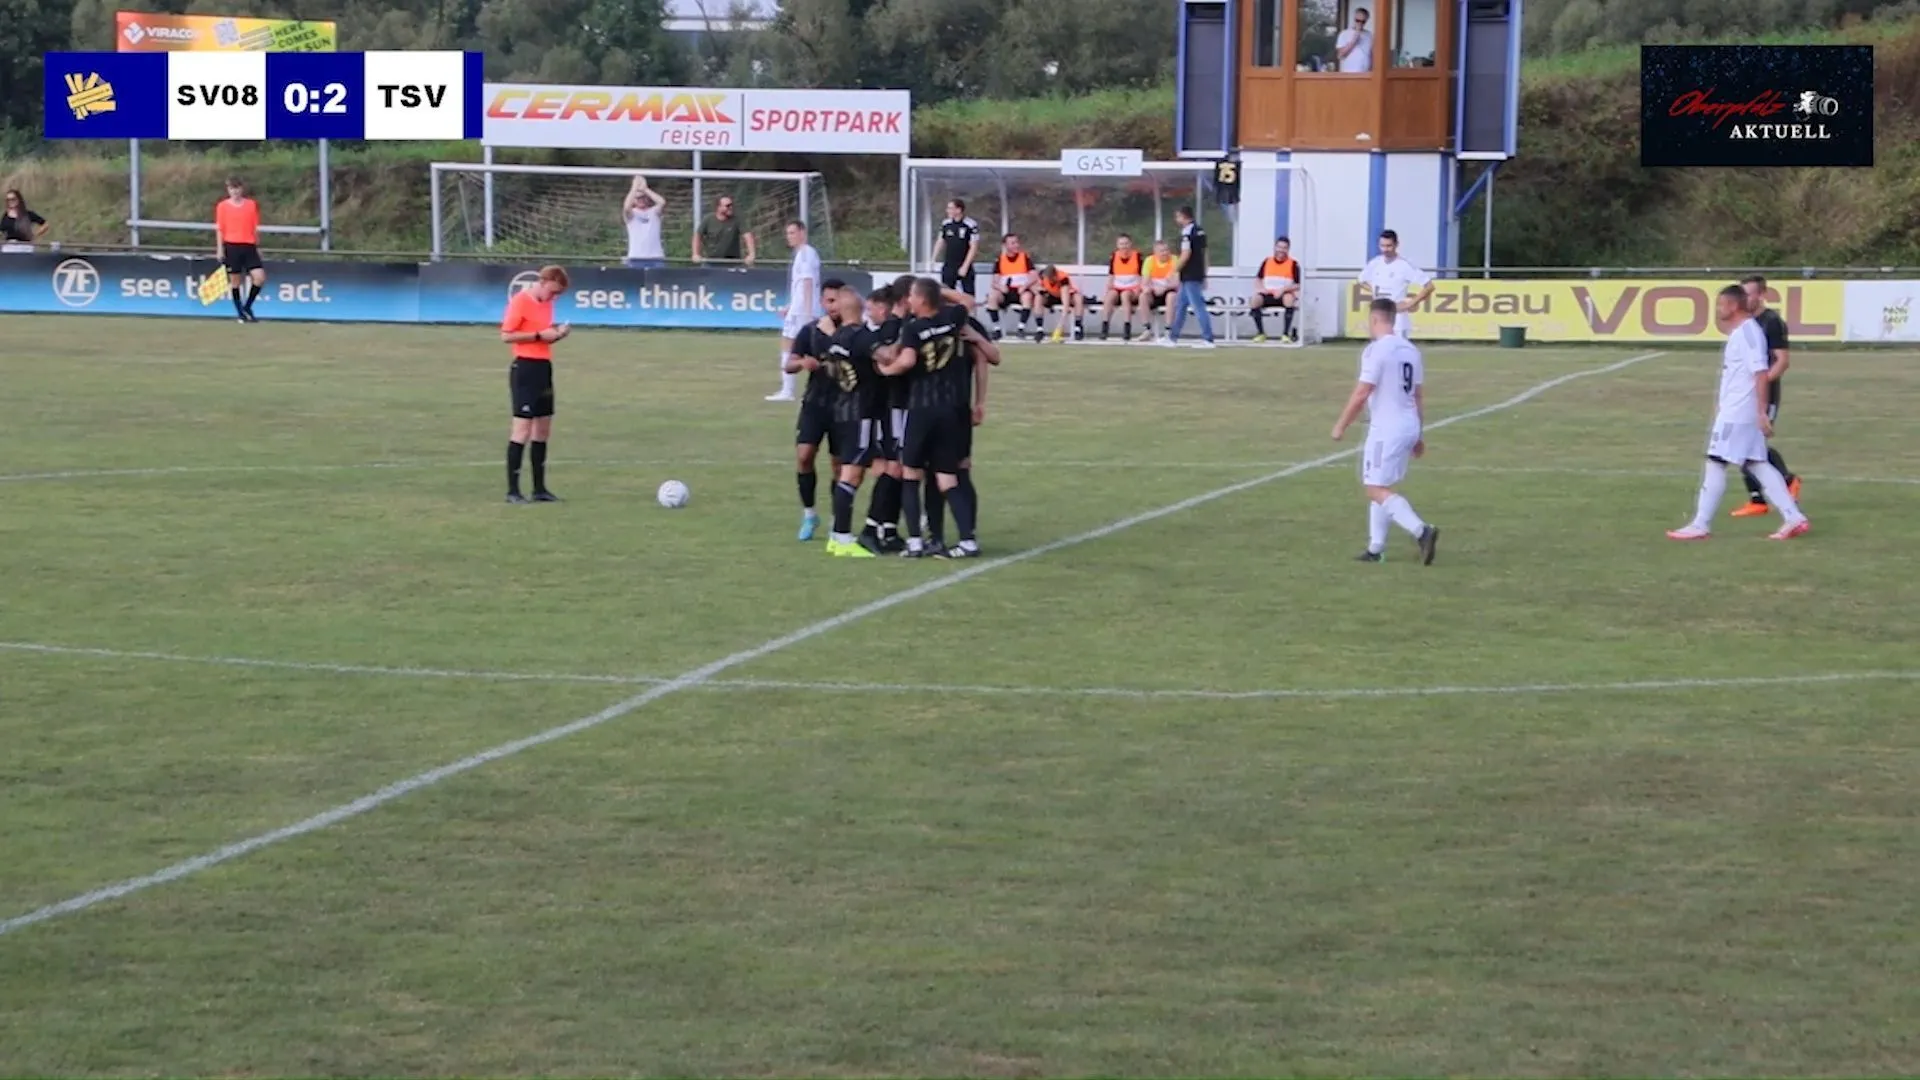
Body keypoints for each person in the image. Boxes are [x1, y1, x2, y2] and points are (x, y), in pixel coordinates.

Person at [1667, 285, 1811, 542]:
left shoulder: (1747, 333)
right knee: (1758, 463)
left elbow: (1760, 373)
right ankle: (1793, 517)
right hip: (1738, 410)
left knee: (1715, 462)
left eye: (1721, 305)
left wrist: (1761, 411)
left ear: (1732, 306)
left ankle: (1700, 524)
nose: (1718, 310)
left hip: (1739, 413)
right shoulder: (1745, 332)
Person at [880, 278, 994, 559]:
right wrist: (939, 291)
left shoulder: (913, 328)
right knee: (947, 477)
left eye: (913, 297)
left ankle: (916, 542)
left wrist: (885, 370)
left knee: (911, 473)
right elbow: (966, 300)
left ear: (920, 299)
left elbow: (906, 362)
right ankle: (968, 541)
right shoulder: (953, 318)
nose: (909, 301)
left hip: (922, 409)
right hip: (952, 411)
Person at [1331, 298, 1440, 564]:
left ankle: (1421, 530)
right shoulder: (1411, 350)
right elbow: (1418, 396)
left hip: (1386, 428)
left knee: (1374, 487)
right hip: (1408, 423)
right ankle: (1375, 548)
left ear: (1375, 320)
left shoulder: (1376, 351)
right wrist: (1419, 434)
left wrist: (1341, 425)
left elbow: (1362, 392)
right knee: (1383, 484)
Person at [820, 287, 894, 558]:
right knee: (856, 473)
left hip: (841, 409)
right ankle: (841, 537)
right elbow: (885, 357)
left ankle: (845, 534)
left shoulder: (836, 337)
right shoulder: (862, 336)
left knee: (863, 469)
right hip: (861, 411)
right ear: (860, 309)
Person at [782, 278, 849, 540]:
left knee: (838, 465)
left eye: (838, 300)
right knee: (804, 455)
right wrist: (802, 364)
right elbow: (789, 364)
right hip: (815, 403)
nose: (833, 306)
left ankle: (836, 519)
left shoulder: (853, 332)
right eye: (829, 300)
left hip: (844, 406)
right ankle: (809, 514)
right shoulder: (810, 332)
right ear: (822, 302)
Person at [1731, 274, 1803, 517]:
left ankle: (1786, 480)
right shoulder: (1743, 322)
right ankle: (1757, 500)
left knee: (1752, 444)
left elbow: (1782, 361)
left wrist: (1762, 383)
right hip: (1744, 394)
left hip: (1765, 395)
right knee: (1744, 445)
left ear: (1762, 295)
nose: (1744, 299)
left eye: (1749, 294)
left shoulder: (1771, 321)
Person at [499, 266, 572, 504]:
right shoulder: (521, 301)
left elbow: (544, 334)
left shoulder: (548, 304)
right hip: (525, 369)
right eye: (553, 291)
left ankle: (539, 488)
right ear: (544, 281)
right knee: (522, 429)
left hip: (543, 367)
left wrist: (558, 334)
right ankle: (513, 491)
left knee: (543, 429)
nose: (554, 297)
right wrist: (540, 335)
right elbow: (507, 335)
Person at [768, 220, 822, 403]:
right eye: (788, 233)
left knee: (789, 346)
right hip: (798, 309)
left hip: (802, 312)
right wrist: (789, 306)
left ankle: (787, 390)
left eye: (792, 233)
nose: (789, 237)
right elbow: (800, 285)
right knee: (805, 348)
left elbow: (807, 283)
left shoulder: (806, 254)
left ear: (802, 232)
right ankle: (789, 389)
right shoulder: (803, 254)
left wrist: (806, 313)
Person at [1358, 229, 1434, 338]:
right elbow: (1361, 280)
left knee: (1398, 352)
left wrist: (1410, 304)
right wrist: (1374, 290)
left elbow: (1429, 286)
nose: (1385, 249)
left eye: (1389, 246)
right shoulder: (1375, 263)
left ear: (1396, 245)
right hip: (1379, 317)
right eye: (1382, 246)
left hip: (1398, 319)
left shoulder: (1404, 265)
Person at [1160, 206, 1215, 348]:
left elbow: (1186, 254)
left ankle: (1208, 339)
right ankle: (1173, 338)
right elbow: (1205, 253)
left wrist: (1173, 271)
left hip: (1190, 274)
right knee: (1181, 306)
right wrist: (1205, 273)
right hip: (1194, 274)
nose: (1176, 220)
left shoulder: (1187, 231)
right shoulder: (1200, 230)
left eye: (1177, 217)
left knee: (1198, 307)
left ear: (1183, 216)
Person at [215, 177, 267, 323]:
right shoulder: (222, 206)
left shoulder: (251, 205)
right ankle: (240, 313)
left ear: (242, 189)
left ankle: (247, 306)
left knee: (259, 277)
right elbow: (220, 229)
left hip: (249, 246)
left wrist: (257, 246)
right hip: (232, 246)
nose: (235, 191)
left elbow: (255, 227)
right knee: (236, 281)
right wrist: (220, 249)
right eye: (232, 188)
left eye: (237, 188)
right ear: (228, 190)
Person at [1250, 237, 1303, 344]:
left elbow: (1298, 285)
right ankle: (1261, 333)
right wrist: (1261, 289)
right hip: (1268, 294)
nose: (1281, 250)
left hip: (1284, 294)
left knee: (1289, 299)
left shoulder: (1293, 264)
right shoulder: (1267, 261)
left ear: (1288, 249)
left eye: (1284, 248)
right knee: (1255, 300)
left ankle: (1285, 334)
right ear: (1275, 247)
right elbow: (1258, 279)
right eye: (1279, 247)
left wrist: (1283, 290)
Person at [985, 234, 1035, 341]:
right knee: (992, 297)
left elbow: (1034, 276)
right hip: (1006, 291)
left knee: (1027, 297)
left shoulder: (1024, 257)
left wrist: (1025, 286)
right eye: (1012, 243)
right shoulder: (1000, 260)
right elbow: (994, 282)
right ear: (1005, 245)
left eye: (1017, 242)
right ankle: (997, 329)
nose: (1016, 245)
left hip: (1020, 290)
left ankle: (1021, 328)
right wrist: (1000, 287)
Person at [1099, 235, 1145, 343]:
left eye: (1126, 243)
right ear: (1117, 245)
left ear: (1130, 244)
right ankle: (1104, 328)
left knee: (1125, 296)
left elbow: (1142, 276)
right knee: (1109, 297)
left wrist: (1138, 290)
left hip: (1132, 288)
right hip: (1117, 287)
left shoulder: (1137, 256)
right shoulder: (1114, 256)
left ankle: (1127, 328)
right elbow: (1111, 275)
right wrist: (1108, 290)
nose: (1124, 246)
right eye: (1121, 244)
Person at [692, 194, 756, 266]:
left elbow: (747, 236)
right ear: (718, 207)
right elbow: (697, 236)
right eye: (727, 206)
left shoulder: (737, 219)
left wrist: (751, 254)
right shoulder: (708, 219)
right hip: (711, 262)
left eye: (732, 205)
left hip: (733, 262)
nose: (731, 207)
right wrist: (695, 254)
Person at [935, 199, 980, 298]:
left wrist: (965, 266)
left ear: (959, 210)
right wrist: (933, 258)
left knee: (968, 295)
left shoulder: (971, 224)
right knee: (947, 294)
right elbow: (940, 241)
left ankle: (970, 313)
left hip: (964, 264)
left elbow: (974, 246)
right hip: (949, 264)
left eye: (951, 208)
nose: (948, 211)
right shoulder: (946, 223)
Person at [1138, 239, 1180, 342]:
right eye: (1162, 251)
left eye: (1166, 250)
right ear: (1155, 252)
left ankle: (1168, 330)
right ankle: (1147, 329)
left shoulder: (1175, 260)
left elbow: (1177, 282)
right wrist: (1149, 289)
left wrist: (1164, 288)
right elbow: (1144, 283)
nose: (1165, 253)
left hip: (1169, 290)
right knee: (1143, 296)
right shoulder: (1149, 261)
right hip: (1154, 291)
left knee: (1171, 297)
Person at [622, 175, 666, 269]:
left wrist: (645, 189)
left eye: (643, 197)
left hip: (656, 258)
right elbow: (626, 207)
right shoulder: (632, 214)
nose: (641, 200)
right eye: (638, 198)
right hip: (635, 258)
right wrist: (634, 187)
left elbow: (662, 202)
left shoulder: (654, 212)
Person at [1033, 265, 1086, 343]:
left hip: (1066, 295)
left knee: (1078, 298)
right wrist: (1039, 290)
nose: (1048, 280)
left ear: (1055, 276)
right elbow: (1037, 287)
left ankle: (1077, 328)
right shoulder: (1043, 276)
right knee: (1038, 298)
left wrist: (1059, 327)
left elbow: (1065, 303)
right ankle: (1039, 329)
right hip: (1051, 295)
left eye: (1050, 278)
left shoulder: (1063, 279)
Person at [1337, 7, 1373, 72]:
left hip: (1366, 74)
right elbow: (1340, 55)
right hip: (1349, 74)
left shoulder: (1369, 35)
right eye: (1358, 20)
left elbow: (1372, 55)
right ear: (1354, 19)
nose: (1360, 23)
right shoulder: (1344, 34)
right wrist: (1354, 40)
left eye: (1363, 22)